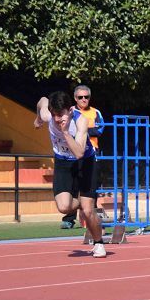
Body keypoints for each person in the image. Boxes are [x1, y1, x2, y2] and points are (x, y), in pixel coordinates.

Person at [34, 92, 106, 258]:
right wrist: (38, 118)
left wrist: (66, 132)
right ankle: (84, 202)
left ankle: (98, 243)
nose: (57, 119)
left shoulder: (80, 121)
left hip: (85, 162)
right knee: (64, 207)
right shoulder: (49, 115)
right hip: (63, 162)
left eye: (60, 115)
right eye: (54, 115)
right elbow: (42, 100)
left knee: (88, 211)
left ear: (70, 109)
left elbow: (80, 152)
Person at [61, 85, 105, 229]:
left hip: (92, 153)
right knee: (73, 186)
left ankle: (91, 216)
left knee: (91, 186)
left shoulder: (95, 112)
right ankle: (69, 218)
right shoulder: (70, 112)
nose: (84, 99)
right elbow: (68, 132)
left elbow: (100, 129)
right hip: (74, 153)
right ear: (75, 98)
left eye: (86, 97)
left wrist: (82, 130)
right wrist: (83, 130)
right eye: (80, 97)